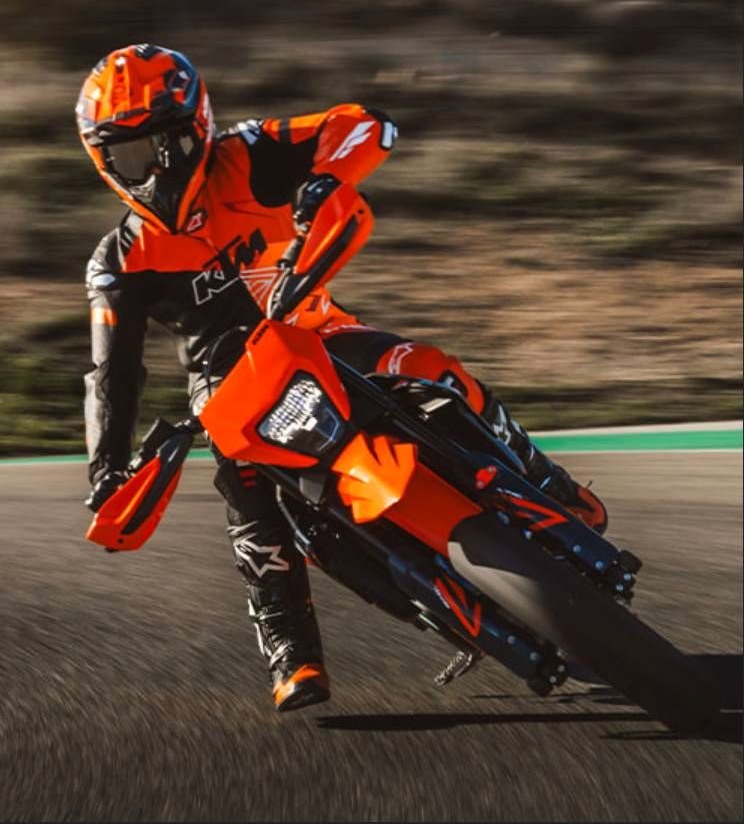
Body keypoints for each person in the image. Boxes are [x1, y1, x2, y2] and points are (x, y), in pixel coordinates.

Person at [78, 44, 607, 712]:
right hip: (226, 382)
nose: (157, 168)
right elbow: (111, 373)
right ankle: (289, 645)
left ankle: (542, 478)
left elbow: (365, 123)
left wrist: (328, 177)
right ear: (105, 162)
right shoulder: (119, 260)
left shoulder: (249, 153)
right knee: (242, 483)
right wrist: (106, 470)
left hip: (317, 328)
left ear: (200, 127)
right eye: (133, 154)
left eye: (170, 144)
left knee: (428, 367)